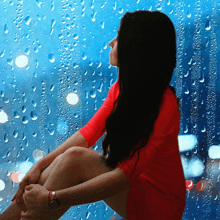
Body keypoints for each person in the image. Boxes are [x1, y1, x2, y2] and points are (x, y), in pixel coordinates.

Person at [1, 10, 186, 220]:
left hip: (160, 206)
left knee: (74, 160)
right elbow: (88, 134)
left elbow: (121, 177)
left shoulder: (165, 106)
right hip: (136, 188)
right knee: (72, 157)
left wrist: (52, 198)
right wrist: (38, 166)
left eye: (119, 37)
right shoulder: (121, 90)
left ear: (135, 48)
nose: (111, 42)